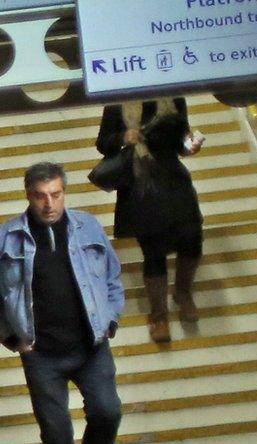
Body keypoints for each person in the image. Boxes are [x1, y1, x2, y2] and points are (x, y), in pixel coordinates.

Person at [0, 161, 127, 444]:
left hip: (90, 345)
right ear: (29, 195)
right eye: (41, 196)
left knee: (107, 410)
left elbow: (112, 276)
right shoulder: (8, 238)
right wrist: (12, 338)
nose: (49, 203)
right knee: (56, 432)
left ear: (65, 192)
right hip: (41, 352)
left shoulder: (87, 227)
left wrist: (110, 320)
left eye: (56, 194)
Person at [97, 98, 204, 343]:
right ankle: (158, 316)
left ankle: (183, 292)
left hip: (173, 179)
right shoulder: (117, 104)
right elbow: (103, 143)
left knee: (192, 237)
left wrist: (190, 145)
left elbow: (181, 143)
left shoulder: (174, 98)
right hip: (139, 183)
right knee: (153, 251)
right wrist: (124, 138)